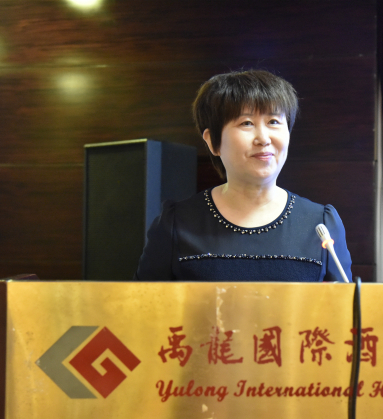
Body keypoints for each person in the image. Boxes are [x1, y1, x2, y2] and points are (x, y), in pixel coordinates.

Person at [134, 69, 352, 282]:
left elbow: (347, 304)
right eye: (246, 123)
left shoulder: (321, 224)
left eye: (273, 122)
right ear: (212, 141)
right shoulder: (177, 223)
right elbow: (141, 303)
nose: (263, 138)